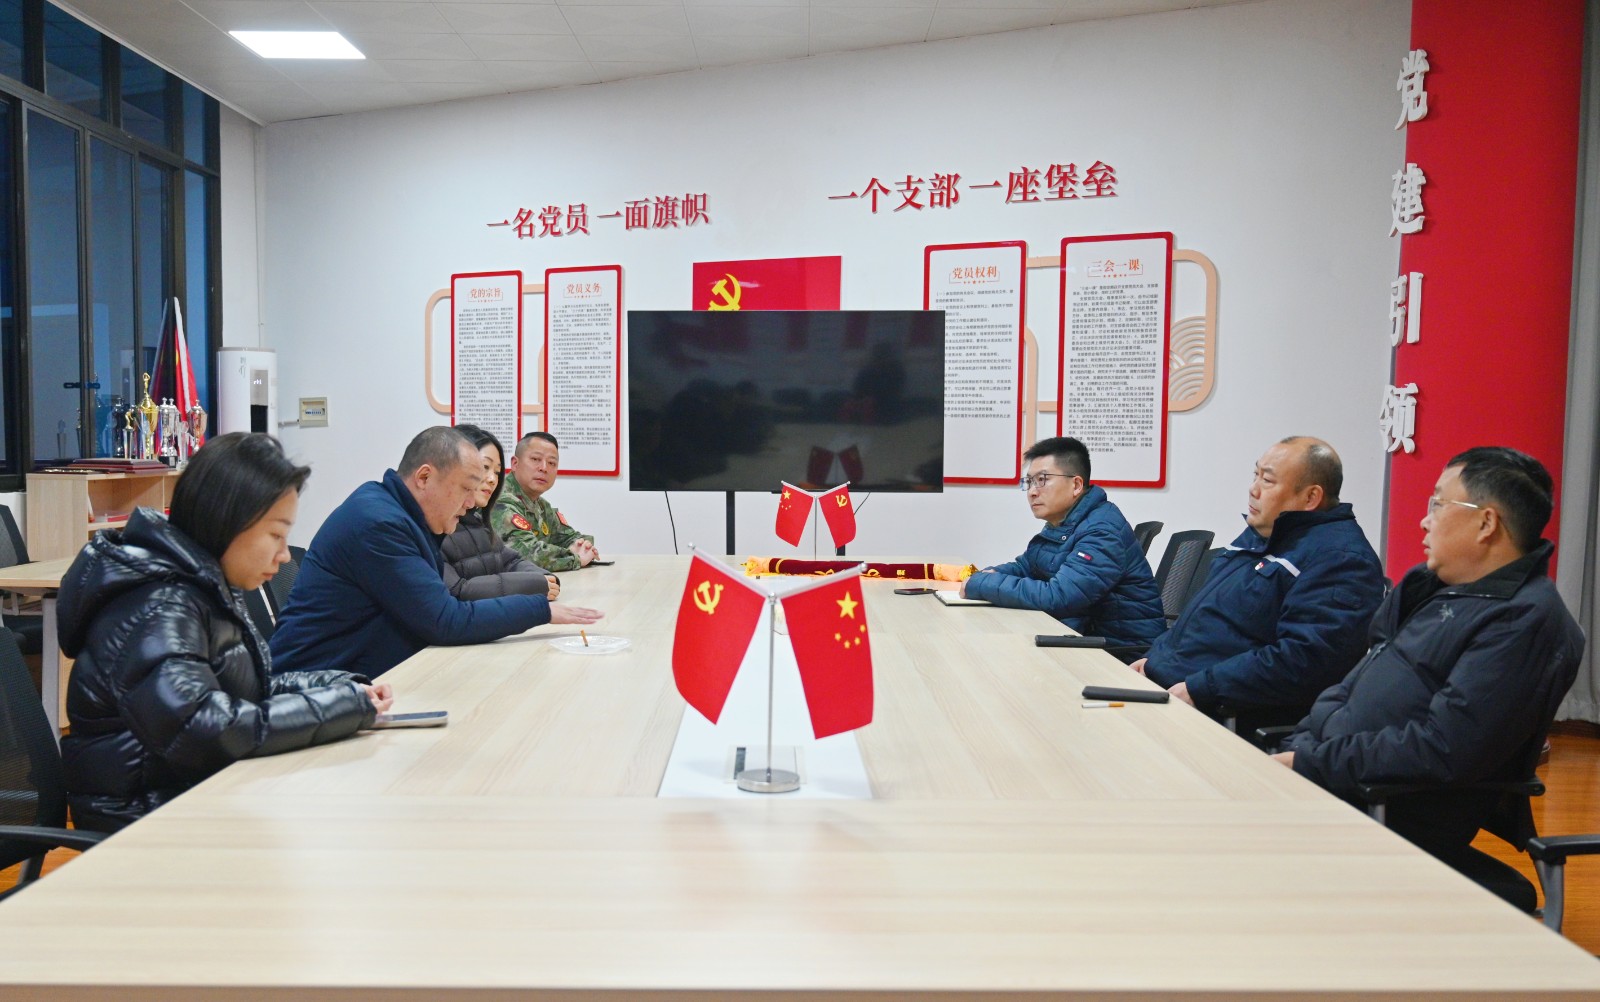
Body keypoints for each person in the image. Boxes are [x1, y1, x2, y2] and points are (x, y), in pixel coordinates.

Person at [1274, 447, 1583, 911]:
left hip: (1384, 808)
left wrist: (1311, 762)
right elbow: (1353, 683)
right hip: (1333, 779)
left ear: (1486, 523)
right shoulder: (1431, 587)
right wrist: (1299, 746)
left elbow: (1443, 747)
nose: (1424, 520)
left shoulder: (1524, 619)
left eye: (1438, 504)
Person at [57, 433, 392, 833]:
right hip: (145, 824)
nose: (285, 554)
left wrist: (342, 689)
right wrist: (344, 709)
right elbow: (207, 730)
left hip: (195, 796)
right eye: (276, 534)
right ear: (227, 522)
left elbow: (247, 691)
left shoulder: (202, 585)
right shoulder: (158, 606)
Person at [272, 426, 602, 680]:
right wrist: (540, 610)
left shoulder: (406, 515)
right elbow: (446, 620)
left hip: (367, 678)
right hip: (317, 686)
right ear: (425, 477)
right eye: (465, 488)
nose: (471, 502)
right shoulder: (379, 524)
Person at [1135, 436, 1385, 724]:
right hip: (1172, 689)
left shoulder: (1341, 559)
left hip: (1220, 713)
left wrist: (1201, 689)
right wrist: (1155, 660)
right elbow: (1202, 618)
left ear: (1311, 497)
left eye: (1267, 480)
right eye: (1256, 475)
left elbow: (1305, 660)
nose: (1253, 489)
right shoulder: (1262, 535)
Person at [960, 437, 1165, 650]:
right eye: (1029, 482)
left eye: (1042, 480)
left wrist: (983, 584)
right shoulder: (1066, 522)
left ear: (1076, 485)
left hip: (1119, 653)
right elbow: (1026, 567)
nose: (1032, 491)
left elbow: (1059, 597)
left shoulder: (1102, 531)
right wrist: (984, 576)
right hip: (1078, 637)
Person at [444, 424, 560, 599]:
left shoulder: (477, 522)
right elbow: (457, 591)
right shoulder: (435, 525)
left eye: (497, 472)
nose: (493, 479)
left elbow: (511, 561)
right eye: (485, 467)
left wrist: (543, 577)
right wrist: (533, 584)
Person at [493, 431, 599, 572]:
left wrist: (581, 546)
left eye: (551, 463)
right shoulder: (500, 501)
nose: (544, 468)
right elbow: (527, 555)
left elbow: (567, 538)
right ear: (515, 463)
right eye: (535, 459)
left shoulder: (541, 505)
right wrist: (575, 559)